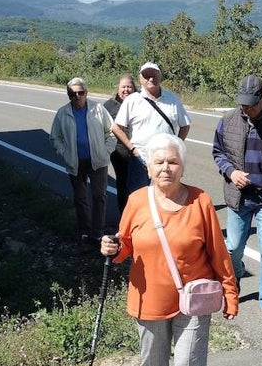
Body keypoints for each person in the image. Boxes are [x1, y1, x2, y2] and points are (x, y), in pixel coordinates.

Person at [100, 133, 239, 366]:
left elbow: (219, 253)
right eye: (159, 162)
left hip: (193, 301)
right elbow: (125, 246)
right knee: (153, 359)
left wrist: (230, 292)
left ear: (183, 167)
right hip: (148, 298)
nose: (166, 168)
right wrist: (114, 249)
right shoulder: (136, 201)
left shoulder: (200, 201)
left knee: (188, 364)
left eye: (173, 162)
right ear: (148, 167)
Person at [211, 75, 262, 329]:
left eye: (251, 104)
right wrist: (231, 172)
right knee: (234, 246)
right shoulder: (228, 120)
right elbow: (217, 152)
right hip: (239, 198)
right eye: (242, 103)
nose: (245, 108)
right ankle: (234, 277)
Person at [49, 77, 116, 242]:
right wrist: (64, 153)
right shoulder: (62, 113)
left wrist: (105, 151)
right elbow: (55, 137)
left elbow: (112, 132)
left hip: (98, 161)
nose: (77, 96)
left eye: (81, 92)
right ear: (68, 94)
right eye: (73, 93)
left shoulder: (98, 109)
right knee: (80, 197)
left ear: (86, 93)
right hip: (75, 162)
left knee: (99, 195)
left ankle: (98, 230)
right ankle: (84, 229)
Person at [111, 61, 191, 195]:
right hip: (140, 159)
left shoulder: (173, 99)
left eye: (154, 75)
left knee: (167, 195)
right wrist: (132, 149)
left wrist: (176, 145)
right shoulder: (132, 100)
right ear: (141, 79)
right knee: (138, 197)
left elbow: (185, 125)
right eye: (146, 75)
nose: (151, 78)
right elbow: (117, 127)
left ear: (161, 77)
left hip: (166, 160)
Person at [102, 74, 137, 215]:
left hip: (139, 150)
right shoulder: (109, 106)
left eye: (129, 87)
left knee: (139, 186)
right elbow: (102, 128)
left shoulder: (141, 102)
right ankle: (124, 215)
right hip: (119, 152)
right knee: (123, 184)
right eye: (123, 87)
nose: (126, 90)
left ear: (134, 88)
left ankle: (139, 216)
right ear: (118, 88)